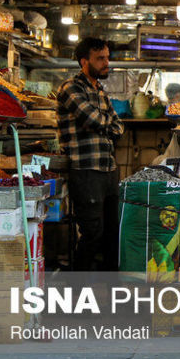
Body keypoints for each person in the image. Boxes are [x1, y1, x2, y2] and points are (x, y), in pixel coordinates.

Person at [57, 37, 124, 270]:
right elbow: (92, 119)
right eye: (100, 59)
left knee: (112, 233)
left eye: (107, 58)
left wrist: (105, 125)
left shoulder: (100, 90)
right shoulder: (70, 88)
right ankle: (77, 285)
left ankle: (110, 285)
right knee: (92, 233)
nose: (106, 63)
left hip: (108, 169)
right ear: (84, 61)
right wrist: (106, 124)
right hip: (86, 171)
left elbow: (118, 125)